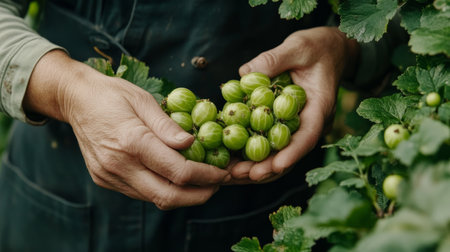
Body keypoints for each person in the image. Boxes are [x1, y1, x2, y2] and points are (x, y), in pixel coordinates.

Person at [0, 0, 395, 251]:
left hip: (252, 206)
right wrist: (64, 88)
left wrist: (347, 47)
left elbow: (399, 14)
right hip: (58, 190)